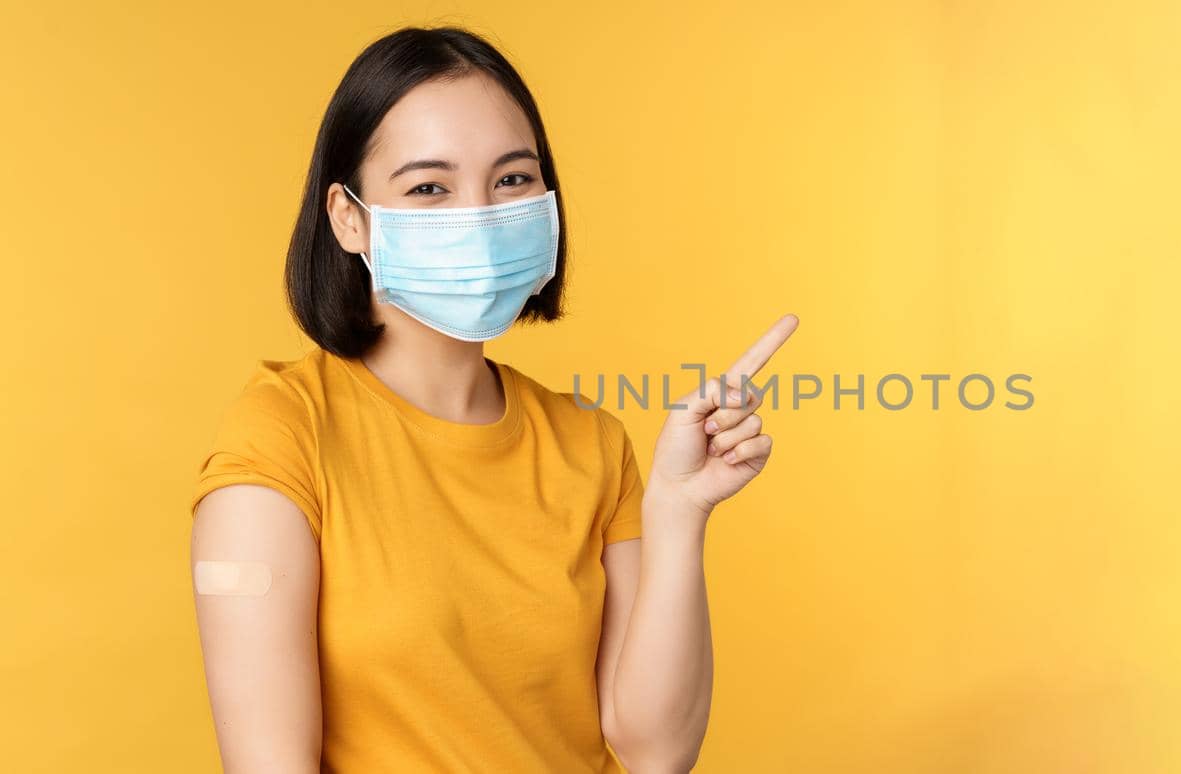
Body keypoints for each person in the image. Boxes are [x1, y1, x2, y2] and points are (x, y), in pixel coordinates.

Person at [188, 25, 797, 773]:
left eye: (511, 179)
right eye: (428, 188)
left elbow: (657, 751)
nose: (478, 214)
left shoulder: (591, 442)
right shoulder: (285, 433)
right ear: (349, 218)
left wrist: (677, 510)